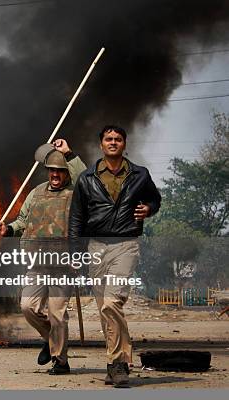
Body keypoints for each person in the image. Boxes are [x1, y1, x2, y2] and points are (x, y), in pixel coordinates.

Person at [69, 125, 161, 387]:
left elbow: (155, 199)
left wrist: (149, 209)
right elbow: (76, 218)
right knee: (104, 310)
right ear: (101, 144)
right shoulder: (86, 178)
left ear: (124, 144)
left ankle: (120, 363)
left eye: (118, 139)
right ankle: (113, 363)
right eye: (108, 139)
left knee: (112, 303)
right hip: (95, 247)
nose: (113, 142)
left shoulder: (140, 175)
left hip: (126, 244)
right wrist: (75, 255)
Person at [0, 139, 86, 375]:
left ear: (66, 173)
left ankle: (61, 362)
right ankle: (51, 339)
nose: (55, 174)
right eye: (52, 170)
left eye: (60, 171)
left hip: (63, 264)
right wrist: (7, 230)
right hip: (37, 263)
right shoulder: (36, 193)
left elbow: (87, 179)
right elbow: (23, 221)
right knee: (28, 307)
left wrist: (69, 154)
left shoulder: (75, 193)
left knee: (57, 313)